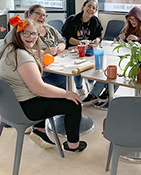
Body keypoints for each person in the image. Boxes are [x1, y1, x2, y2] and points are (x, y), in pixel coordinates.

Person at [0, 16, 87, 152]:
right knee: (74, 102)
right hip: (24, 108)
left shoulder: (7, 49)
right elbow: (38, 89)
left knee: (51, 91)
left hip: (9, 107)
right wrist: (67, 93)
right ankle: (73, 145)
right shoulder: (22, 56)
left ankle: (40, 129)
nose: (31, 37)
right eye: (25, 33)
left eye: (34, 33)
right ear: (18, 33)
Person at [83, 6, 141, 106]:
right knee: (108, 71)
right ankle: (97, 94)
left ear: (139, 19)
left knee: (117, 73)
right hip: (122, 57)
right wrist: (120, 37)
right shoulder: (127, 28)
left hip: (136, 61)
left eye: (134, 19)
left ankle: (104, 94)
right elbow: (118, 42)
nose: (132, 22)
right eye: (130, 20)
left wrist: (138, 40)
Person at [4, 4, 67, 90]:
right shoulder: (19, 29)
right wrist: (43, 52)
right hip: (36, 71)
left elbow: (62, 41)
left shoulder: (49, 28)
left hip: (52, 64)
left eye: (44, 15)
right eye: (39, 14)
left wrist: (58, 48)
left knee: (63, 77)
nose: (42, 17)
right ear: (29, 15)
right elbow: (11, 49)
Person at [61, 0, 103, 99]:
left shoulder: (95, 21)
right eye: (89, 6)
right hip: (73, 49)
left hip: (89, 50)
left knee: (93, 65)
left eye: (94, 8)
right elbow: (66, 37)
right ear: (83, 7)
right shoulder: (72, 20)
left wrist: (96, 40)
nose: (91, 9)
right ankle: (79, 88)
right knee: (78, 67)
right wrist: (80, 43)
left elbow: (99, 35)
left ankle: (90, 82)